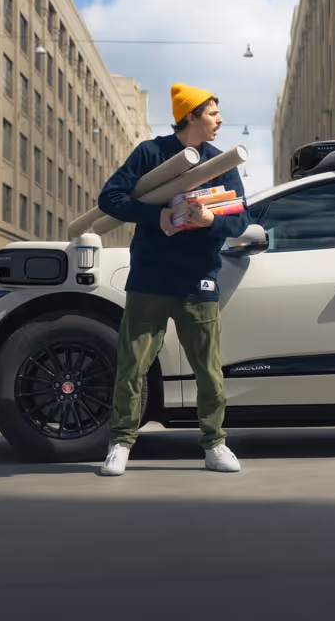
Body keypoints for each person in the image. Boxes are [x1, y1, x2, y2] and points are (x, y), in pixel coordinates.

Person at [95, 83, 249, 476]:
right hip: (149, 277)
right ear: (192, 116)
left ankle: (215, 444)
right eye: (213, 113)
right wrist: (155, 215)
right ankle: (120, 443)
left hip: (198, 279)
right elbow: (109, 198)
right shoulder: (150, 153)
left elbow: (242, 219)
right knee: (133, 365)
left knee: (208, 369)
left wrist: (211, 220)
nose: (220, 120)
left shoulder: (222, 162)